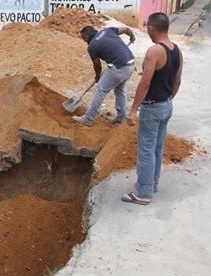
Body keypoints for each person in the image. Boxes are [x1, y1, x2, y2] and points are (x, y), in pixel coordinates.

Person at [122, 12, 183, 205]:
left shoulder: (154, 51)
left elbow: (144, 84)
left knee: (146, 150)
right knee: (157, 148)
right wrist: (167, 100)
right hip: (166, 105)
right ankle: (152, 184)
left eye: (147, 28)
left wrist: (133, 110)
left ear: (152, 28)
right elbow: (177, 80)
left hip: (153, 107)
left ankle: (143, 193)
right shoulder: (177, 50)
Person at [72, 24, 136, 127]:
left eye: (84, 38)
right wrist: (132, 36)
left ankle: (88, 118)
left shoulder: (92, 46)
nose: (84, 41)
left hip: (119, 67)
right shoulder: (108, 30)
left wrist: (97, 76)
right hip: (130, 64)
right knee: (120, 90)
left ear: (88, 34)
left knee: (100, 90)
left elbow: (97, 64)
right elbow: (126, 29)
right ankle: (121, 118)